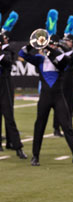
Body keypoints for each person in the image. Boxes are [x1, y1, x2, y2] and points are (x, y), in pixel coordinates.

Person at [18, 35, 73, 167]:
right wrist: (33, 44)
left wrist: (49, 47)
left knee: (67, 126)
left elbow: (68, 59)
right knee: (39, 126)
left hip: (58, 97)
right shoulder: (39, 59)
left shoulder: (60, 58)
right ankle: (35, 156)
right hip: (44, 97)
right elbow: (22, 53)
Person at [0, 31, 27, 159]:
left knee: (9, 118)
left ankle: (18, 147)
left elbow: (7, 62)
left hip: (4, 88)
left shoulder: (7, 52)